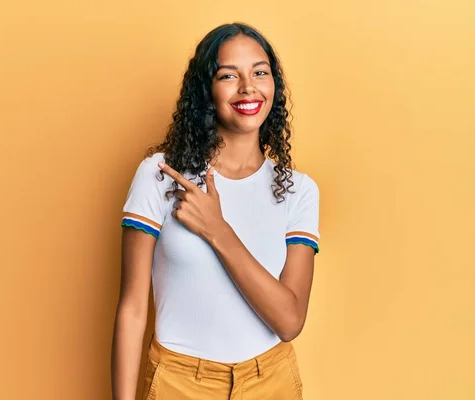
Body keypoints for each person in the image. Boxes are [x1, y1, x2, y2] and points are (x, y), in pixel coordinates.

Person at [111, 22, 320, 400]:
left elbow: (289, 321)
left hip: (271, 382)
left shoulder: (298, 191)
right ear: (206, 90)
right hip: (178, 383)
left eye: (260, 72)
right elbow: (132, 309)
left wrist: (216, 229)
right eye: (229, 75)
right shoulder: (160, 176)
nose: (248, 87)